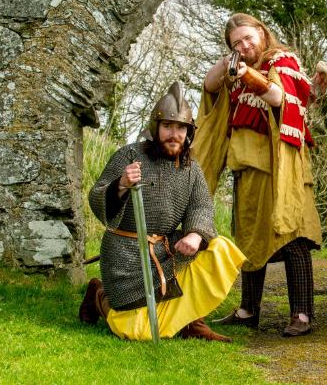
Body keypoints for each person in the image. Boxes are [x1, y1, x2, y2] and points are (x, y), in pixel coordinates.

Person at [78, 82, 246, 341]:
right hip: (127, 255)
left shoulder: (191, 168)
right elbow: (96, 197)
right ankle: (98, 295)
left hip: (167, 249)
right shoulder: (129, 155)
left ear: (189, 132)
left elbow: (201, 206)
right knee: (134, 332)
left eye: (181, 128)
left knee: (219, 249)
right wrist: (121, 184)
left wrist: (195, 235)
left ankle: (191, 322)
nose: (174, 134)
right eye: (168, 126)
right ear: (155, 128)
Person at [194, 13, 322, 337]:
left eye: (248, 38)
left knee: (292, 236)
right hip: (248, 170)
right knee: (249, 240)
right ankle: (248, 310)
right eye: (236, 43)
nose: (244, 45)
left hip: (282, 168)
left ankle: (302, 314)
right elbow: (209, 87)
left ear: (262, 33)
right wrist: (228, 64)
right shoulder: (235, 71)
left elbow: (280, 99)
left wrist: (248, 74)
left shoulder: (283, 59)